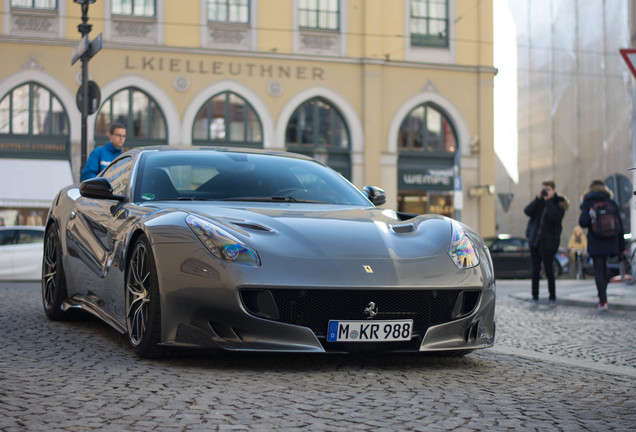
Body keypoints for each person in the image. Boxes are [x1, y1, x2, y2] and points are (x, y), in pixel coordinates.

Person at [578, 179, 625, 311]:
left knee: (599, 270)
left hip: (596, 240)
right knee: (606, 269)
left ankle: (603, 301)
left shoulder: (588, 202)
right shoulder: (611, 202)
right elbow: (620, 225)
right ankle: (604, 291)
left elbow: (583, 222)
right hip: (611, 240)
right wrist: (622, 247)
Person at [524, 180, 568, 308]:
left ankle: (552, 297)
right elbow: (527, 211)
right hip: (535, 241)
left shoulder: (559, 202)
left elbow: (555, 217)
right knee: (535, 271)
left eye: (548, 189)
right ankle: (535, 297)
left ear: (553, 190)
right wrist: (538, 198)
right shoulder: (539, 202)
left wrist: (548, 200)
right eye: (544, 189)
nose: (545, 191)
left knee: (549, 270)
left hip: (549, 242)